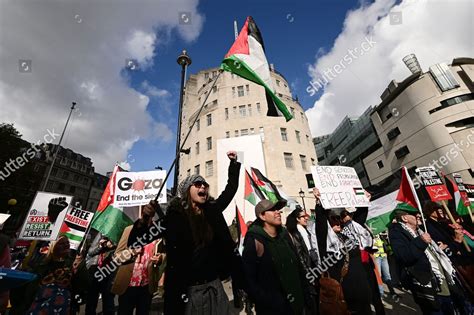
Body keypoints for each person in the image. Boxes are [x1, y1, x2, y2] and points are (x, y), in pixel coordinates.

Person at [127, 151, 241, 314]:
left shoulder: (212, 211)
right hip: (187, 292)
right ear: (187, 190)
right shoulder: (173, 218)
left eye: (205, 185)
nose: (203, 187)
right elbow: (136, 241)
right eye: (197, 184)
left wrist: (234, 163)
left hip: (214, 285)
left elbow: (231, 189)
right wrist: (144, 219)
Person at [389, 209, 469, 315]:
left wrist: (456, 243)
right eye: (413, 214)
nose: (418, 215)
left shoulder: (422, 230)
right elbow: (404, 256)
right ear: (405, 218)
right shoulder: (396, 233)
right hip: (428, 287)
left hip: (445, 281)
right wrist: (420, 241)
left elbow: (440, 254)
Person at [242, 199, 312, 315]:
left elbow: (298, 266)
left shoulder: (285, 235)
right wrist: (269, 302)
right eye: (272, 210)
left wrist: (306, 294)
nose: (278, 212)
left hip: (298, 305)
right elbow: (249, 280)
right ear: (262, 216)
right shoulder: (254, 241)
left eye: (278, 209)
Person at [312, 188, 372, 314]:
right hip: (344, 298)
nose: (338, 221)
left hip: (363, 294)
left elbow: (359, 221)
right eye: (333, 218)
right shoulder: (325, 242)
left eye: (338, 218)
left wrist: (363, 201)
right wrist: (319, 202)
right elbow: (321, 223)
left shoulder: (347, 235)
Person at [111, 221, 163, 314]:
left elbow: (164, 252)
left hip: (146, 286)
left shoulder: (156, 231)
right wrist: (132, 252)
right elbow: (116, 257)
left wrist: (160, 258)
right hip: (128, 285)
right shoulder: (129, 230)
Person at [27, 236, 89, 315]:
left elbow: (83, 285)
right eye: (61, 243)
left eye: (67, 243)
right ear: (53, 246)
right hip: (39, 307)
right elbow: (31, 288)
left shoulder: (73, 263)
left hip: (64, 308)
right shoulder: (42, 263)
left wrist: (80, 267)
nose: (66, 245)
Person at [286, 207, 319, 313]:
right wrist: (308, 273)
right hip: (307, 270)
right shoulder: (296, 233)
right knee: (310, 299)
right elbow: (300, 256)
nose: (306, 218)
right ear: (297, 219)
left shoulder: (305, 231)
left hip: (312, 265)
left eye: (306, 216)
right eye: (303, 216)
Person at [85, 233, 116, 315]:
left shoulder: (118, 235)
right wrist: (101, 246)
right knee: (91, 302)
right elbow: (90, 252)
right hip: (95, 271)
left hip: (109, 273)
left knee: (108, 302)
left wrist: (113, 245)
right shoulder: (101, 233)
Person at [373, 233, 400, 302]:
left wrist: (383, 235)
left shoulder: (379, 232)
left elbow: (384, 242)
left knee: (387, 276)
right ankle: (381, 294)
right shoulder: (369, 233)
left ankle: (392, 292)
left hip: (383, 256)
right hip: (376, 257)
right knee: (379, 277)